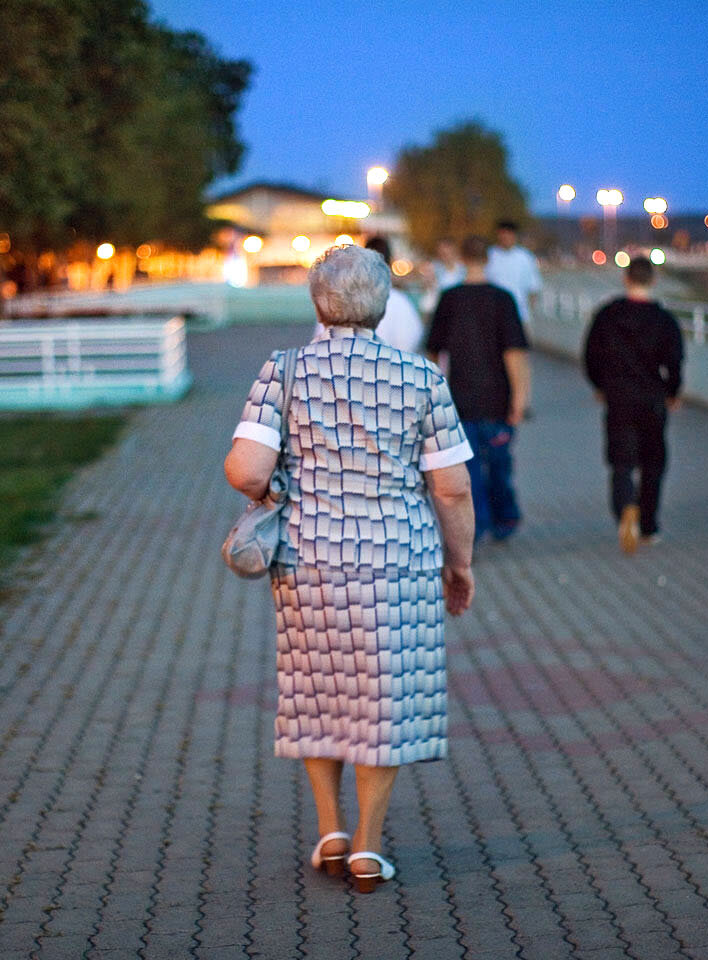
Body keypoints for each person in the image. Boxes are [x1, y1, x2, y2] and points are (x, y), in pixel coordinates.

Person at [225, 244, 476, 893]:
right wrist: (461, 564)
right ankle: (368, 846)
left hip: (308, 559)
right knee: (383, 700)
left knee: (317, 691)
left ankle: (331, 831)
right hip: (398, 560)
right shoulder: (421, 378)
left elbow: (248, 470)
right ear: (384, 303)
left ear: (317, 302)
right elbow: (450, 487)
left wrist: (275, 492)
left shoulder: (281, 371)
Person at [426, 235, 531, 542]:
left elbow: (434, 352)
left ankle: (477, 525)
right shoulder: (503, 300)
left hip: (458, 399)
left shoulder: (449, 299)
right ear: (488, 258)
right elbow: (515, 354)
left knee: (468, 469)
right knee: (499, 464)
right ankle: (505, 519)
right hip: (498, 399)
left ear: (461, 258)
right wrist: (520, 399)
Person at [583, 256, 684, 554]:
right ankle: (649, 525)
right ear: (653, 281)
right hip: (652, 399)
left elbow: (590, 355)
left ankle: (626, 507)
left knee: (621, 462)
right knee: (653, 463)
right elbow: (675, 363)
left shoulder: (607, 315)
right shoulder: (664, 320)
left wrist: (599, 385)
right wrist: (673, 393)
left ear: (626, 279)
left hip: (618, 398)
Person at [311, 236, 424, 353]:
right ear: (389, 262)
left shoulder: (338, 298)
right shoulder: (401, 302)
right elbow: (410, 341)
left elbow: (321, 340)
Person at [485, 220, 543, 327]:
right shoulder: (489, 256)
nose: (506, 237)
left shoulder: (525, 257)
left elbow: (534, 288)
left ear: (515, 235)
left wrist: (528, 311)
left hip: (520, 316)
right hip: (492, 317)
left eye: (509, 234)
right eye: (503, 234)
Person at [418, 238, 466, 315]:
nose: (444, 256)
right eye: (442, 253)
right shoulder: (432, 269)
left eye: (446, 253)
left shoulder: (463, 269)